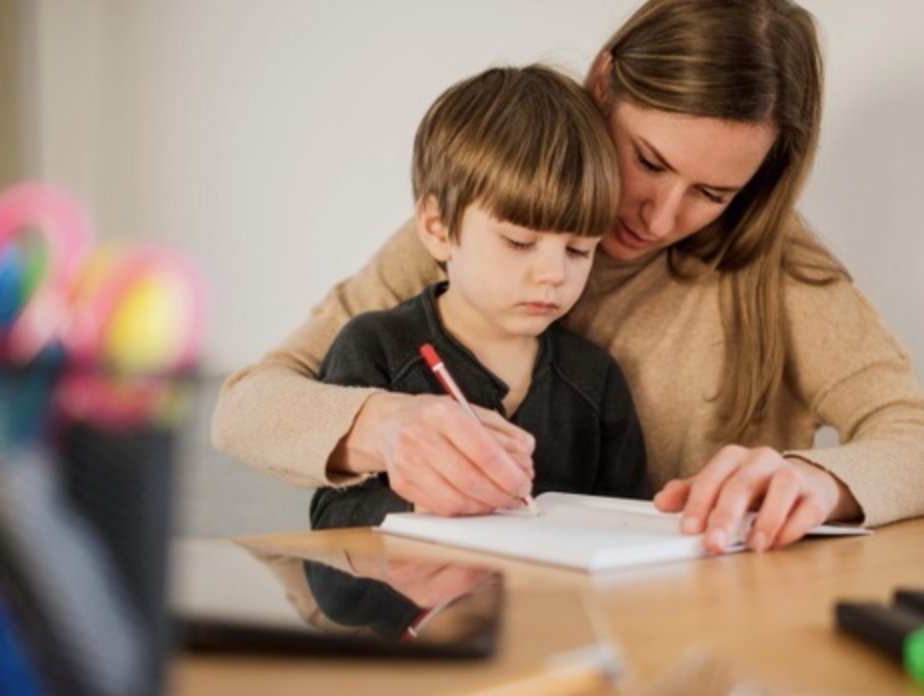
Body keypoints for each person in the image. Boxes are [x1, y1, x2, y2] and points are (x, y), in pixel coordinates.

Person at [212, 0, 924, 553]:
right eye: (649, 161)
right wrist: (384, 428)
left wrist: (818, 482)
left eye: (713, 195)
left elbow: (912, 433)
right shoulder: (484, 219)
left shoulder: (777, 269)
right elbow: (246, 407)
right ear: (604, 81)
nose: (660, 215)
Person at [307, 65, 651, 530]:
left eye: (578, 249)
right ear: (437, 227)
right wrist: (427, 505)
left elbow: (630, 524)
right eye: (519, 243)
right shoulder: (375, 348)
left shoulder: (596, 379)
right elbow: (332, 522)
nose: (553, 274)